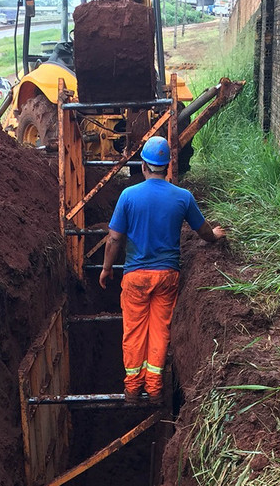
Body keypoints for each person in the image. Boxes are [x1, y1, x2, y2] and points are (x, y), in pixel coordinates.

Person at [99, 136, 226, 404]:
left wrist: (106, 268)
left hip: (135, 277)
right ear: (167, 167)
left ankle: (133, 388)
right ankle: (155, 388)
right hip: (167, 277)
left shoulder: (128, 196)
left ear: (144, 166)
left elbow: (114, 239)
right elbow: (202, 231)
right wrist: (214, 235)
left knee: (134, 331)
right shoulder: (182, 197)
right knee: (159, 330)